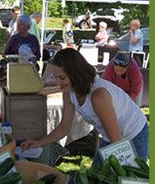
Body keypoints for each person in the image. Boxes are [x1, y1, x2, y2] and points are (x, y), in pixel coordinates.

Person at [21, 48, 149, 164]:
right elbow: (64, 127)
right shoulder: (69, 92)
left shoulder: (98, 96)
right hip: (113, 136)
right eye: (56, 77)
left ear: (75, 74)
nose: (58, 83)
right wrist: (39, 143)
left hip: (134, 134)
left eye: (62, 77)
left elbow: (116, 142)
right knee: (97, 180)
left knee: (128, 182)